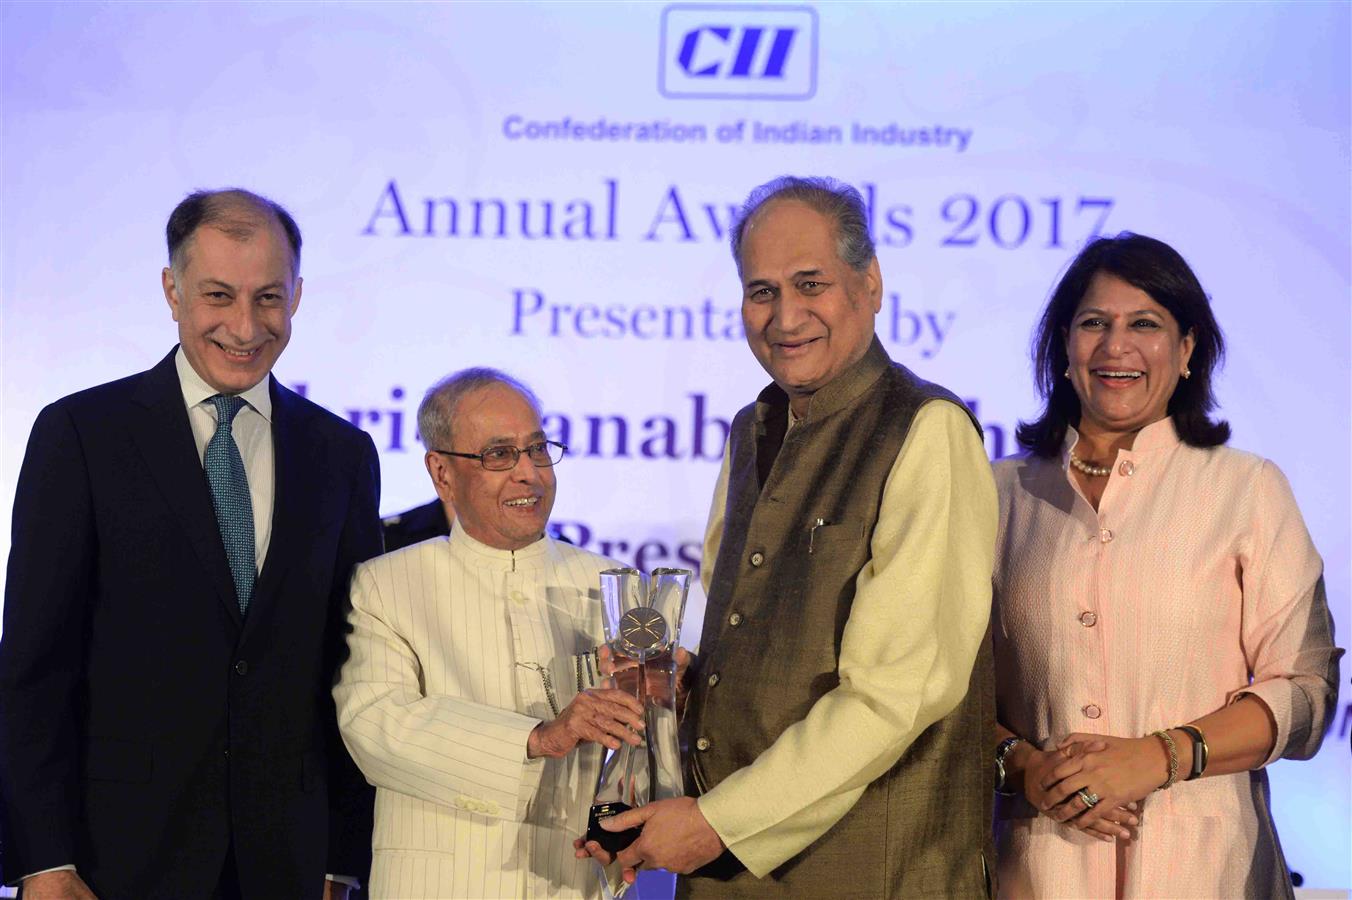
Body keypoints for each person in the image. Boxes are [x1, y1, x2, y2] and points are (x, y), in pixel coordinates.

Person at [581, 176, 999, 896]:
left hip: (872, 872)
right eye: (761, 291)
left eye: (811, 284)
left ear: (870, 285)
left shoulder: (926, 430)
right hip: (728, 866)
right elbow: (755, 630)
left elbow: (895, 694)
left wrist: (717, 823)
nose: (785, 316)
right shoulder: (755, 428)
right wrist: (686, 687)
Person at [0, 190, 380, 898]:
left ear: (297, 295)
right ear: (172, 292)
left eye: (268, 297)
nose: (245, 325)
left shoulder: (342, 455)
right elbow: (32, 670)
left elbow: (349, 671)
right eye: (218, 295)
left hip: (288, 867)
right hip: (114, 862)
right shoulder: (82, 436)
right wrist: (44, 859)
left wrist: (339, 860)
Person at [990, 233, 1342, 898]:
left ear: (1186, 352)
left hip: (1205, 868)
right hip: (1038, 869)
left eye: (1145, 324)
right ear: (1064, 348)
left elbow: (1306, 696)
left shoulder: (1246, 488)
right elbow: (944, 692)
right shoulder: (996, 495)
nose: (1116, 346)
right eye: (1094, 323)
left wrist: (1155, 757)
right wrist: (1026, 767)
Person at [333, 369, 651, 899]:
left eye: (538, 449)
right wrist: (538, 739)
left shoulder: (615, 586)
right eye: (499, 455)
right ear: (442, 473)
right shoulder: (386, 583)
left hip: (574, 883)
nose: (529, 473)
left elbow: (643, 757)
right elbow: (375, 727)